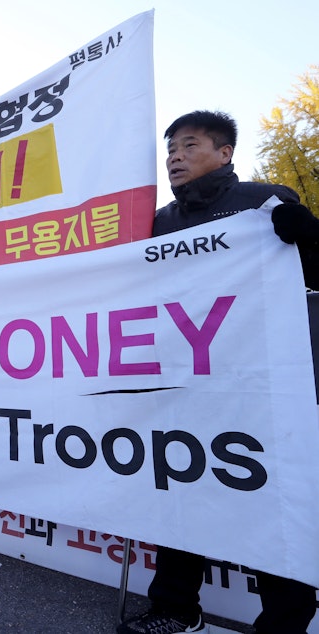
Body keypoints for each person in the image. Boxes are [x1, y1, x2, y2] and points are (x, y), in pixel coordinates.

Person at [118, 110, 318, 634]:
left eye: (188, 146)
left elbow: (307, 279)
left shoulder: (262, 202)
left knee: (270, 503)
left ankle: (284, 624)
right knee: (180, 492)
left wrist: (310, 239)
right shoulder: (158, 222)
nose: (175, 158)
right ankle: (174, 610)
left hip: (257, 386)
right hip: (184, 385)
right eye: (170, 150)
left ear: (224, 153)